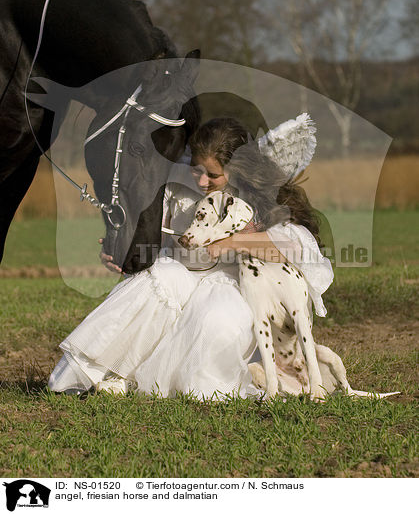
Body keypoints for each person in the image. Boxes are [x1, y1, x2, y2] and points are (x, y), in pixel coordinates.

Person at [48, 118, 333, 399]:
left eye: (213, 175)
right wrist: (122, 250)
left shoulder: (260, 196)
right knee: (155, 282)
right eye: (197, 170)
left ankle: (167, 384)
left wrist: (231, 242)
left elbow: (293, 246)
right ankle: (91, 375)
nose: (202, 180)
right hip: (183, 270)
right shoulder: (174, 183)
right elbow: (156, 235)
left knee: (216, 318)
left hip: (232, 282)